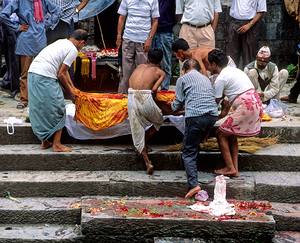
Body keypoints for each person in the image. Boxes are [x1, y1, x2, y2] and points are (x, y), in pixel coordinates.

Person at [27, 29, 87, 152]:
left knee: (42, 107)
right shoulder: (73, 50)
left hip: (33, 73)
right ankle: (57, 144)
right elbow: (61, 73)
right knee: (59, 108)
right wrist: (70, 92)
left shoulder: (62, 42)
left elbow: (63, 71)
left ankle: (45, 142)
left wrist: (72, 86)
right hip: (44, 76)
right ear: (81, 42)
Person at [208, 49, 263, 177]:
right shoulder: (235, 70)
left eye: (210, 64)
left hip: (247, 106)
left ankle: (229, 167)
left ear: (215, 64)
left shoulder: (220, 78)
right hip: (256, 103)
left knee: (220, 134)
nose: (209, 67)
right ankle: (235, 169)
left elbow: (214, 103)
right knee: (231, 136)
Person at [169, 58, 218, 198]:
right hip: (212, 116)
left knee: (188, 151)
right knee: (194, 143)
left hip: (196, 116)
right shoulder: (206, 79)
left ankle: (193, 185)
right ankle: (191, 170)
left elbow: (177, 105)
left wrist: (170, 106)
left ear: (184, 70)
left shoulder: (182, 79)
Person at [0, 0, 61, 109]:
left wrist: (47, 24)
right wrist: (17, 27)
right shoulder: (19, 1)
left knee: (42, 72)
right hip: (26, 39)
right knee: (25, 73)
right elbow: (3, 14)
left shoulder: (43, 1)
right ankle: (24, 100)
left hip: (40, 40)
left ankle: (40, 100)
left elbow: (57, 10)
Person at [127, 47, 166, 174]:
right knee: (159, 120)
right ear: (160, 62)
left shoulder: (139, 66)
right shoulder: (160, 72)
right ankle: (143, 143)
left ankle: (147, 162)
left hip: (131, 97)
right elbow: (154, 89)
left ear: (147, 59)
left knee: (137, 129)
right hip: (145, 98)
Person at [116, 0, 160, 94]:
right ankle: (123, 97)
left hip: (144, 40)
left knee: (142, 70)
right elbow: (121, 18)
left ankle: (141, 98)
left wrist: (150, 39)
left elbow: (155, 21)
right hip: (128, 38)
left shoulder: (153, 1)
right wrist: (119, 36)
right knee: (125, 71)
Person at [176, 0, 222, 75]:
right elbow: (179, 12)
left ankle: (207, 85)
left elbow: (216, 12)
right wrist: (189, 23)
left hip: (206, 28)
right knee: (186, 61)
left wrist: (212, 29)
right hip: (188, 29)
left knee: (209, 61)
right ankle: (186, 85)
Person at [227, 0, 267, 68]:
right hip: (235, 22)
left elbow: (261, 11)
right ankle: (232, 77)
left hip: (250, 24)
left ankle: (247, 76)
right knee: (232, 56)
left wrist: (249, 24)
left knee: (248, 56)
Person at [172, 38, 236, 79]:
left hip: (227, 66)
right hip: (226, 66)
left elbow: (204, 77)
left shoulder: (195, 55)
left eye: (176, 55)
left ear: (180, 52)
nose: (177, 58)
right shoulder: (194, 51)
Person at [151, 0, 176, 91]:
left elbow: (176, 15)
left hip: (166, 32)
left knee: (165, 63)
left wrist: (168, 26)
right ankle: (150, 88)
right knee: (151, 62)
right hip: (151, 32)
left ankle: (164, 90)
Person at [0, 0, 20, 101]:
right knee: (13, 58)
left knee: (18, 58)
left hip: (19, 24)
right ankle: (15, 89)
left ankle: (6, 83)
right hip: (11, 24)